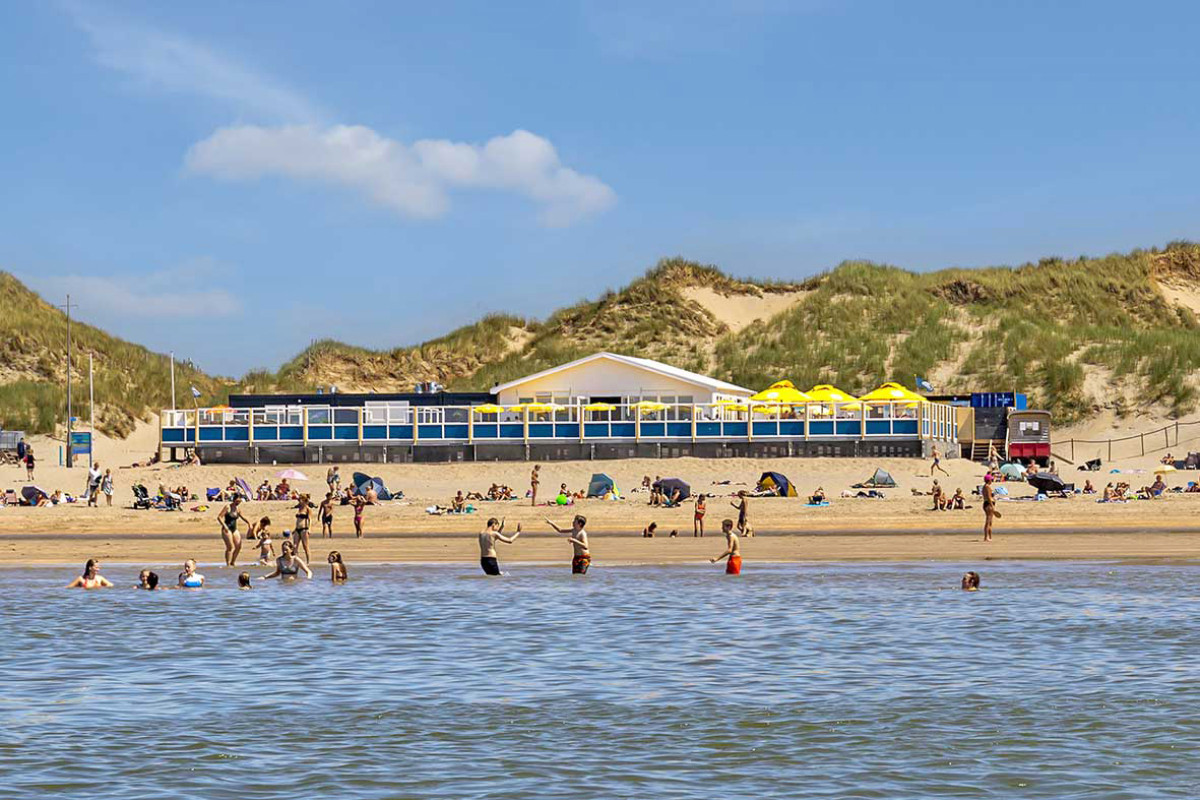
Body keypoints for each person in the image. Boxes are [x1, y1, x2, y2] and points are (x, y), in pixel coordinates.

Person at [218, 495, 250, 567]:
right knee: (230, 547)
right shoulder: (227, 507)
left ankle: (233, 562)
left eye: (239, 501)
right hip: (227, 528)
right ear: (234, 500)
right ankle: (228, 564)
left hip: (234, 529)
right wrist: (224, 526)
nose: (238, 503)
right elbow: (219, 517)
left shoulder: (238, 509)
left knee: (238, 546)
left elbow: (242, 517)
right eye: (237, 501)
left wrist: (249, 523)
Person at [293, 495, 313, 562]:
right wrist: (295, 528)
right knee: (295, 546)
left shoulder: (308, 509)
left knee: (305, 546)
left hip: (304, 529)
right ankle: (295, 560)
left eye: (300, 500)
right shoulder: (299, 508)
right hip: (297, 529)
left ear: (304, 500)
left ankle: (308, 561)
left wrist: (309, 529)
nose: (299, 501)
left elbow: (310, 519)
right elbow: (298, 520)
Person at [982, 474, 1000, 543]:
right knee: (988, 521)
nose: (992, 480)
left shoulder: (985, 486)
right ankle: (986, 537)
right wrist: (992, 505)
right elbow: (989, 497)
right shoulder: (987, 487)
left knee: (990, 521)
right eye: (991, 479)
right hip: (988, 504)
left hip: (987, 504)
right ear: (989, 480)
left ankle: (989, 537)